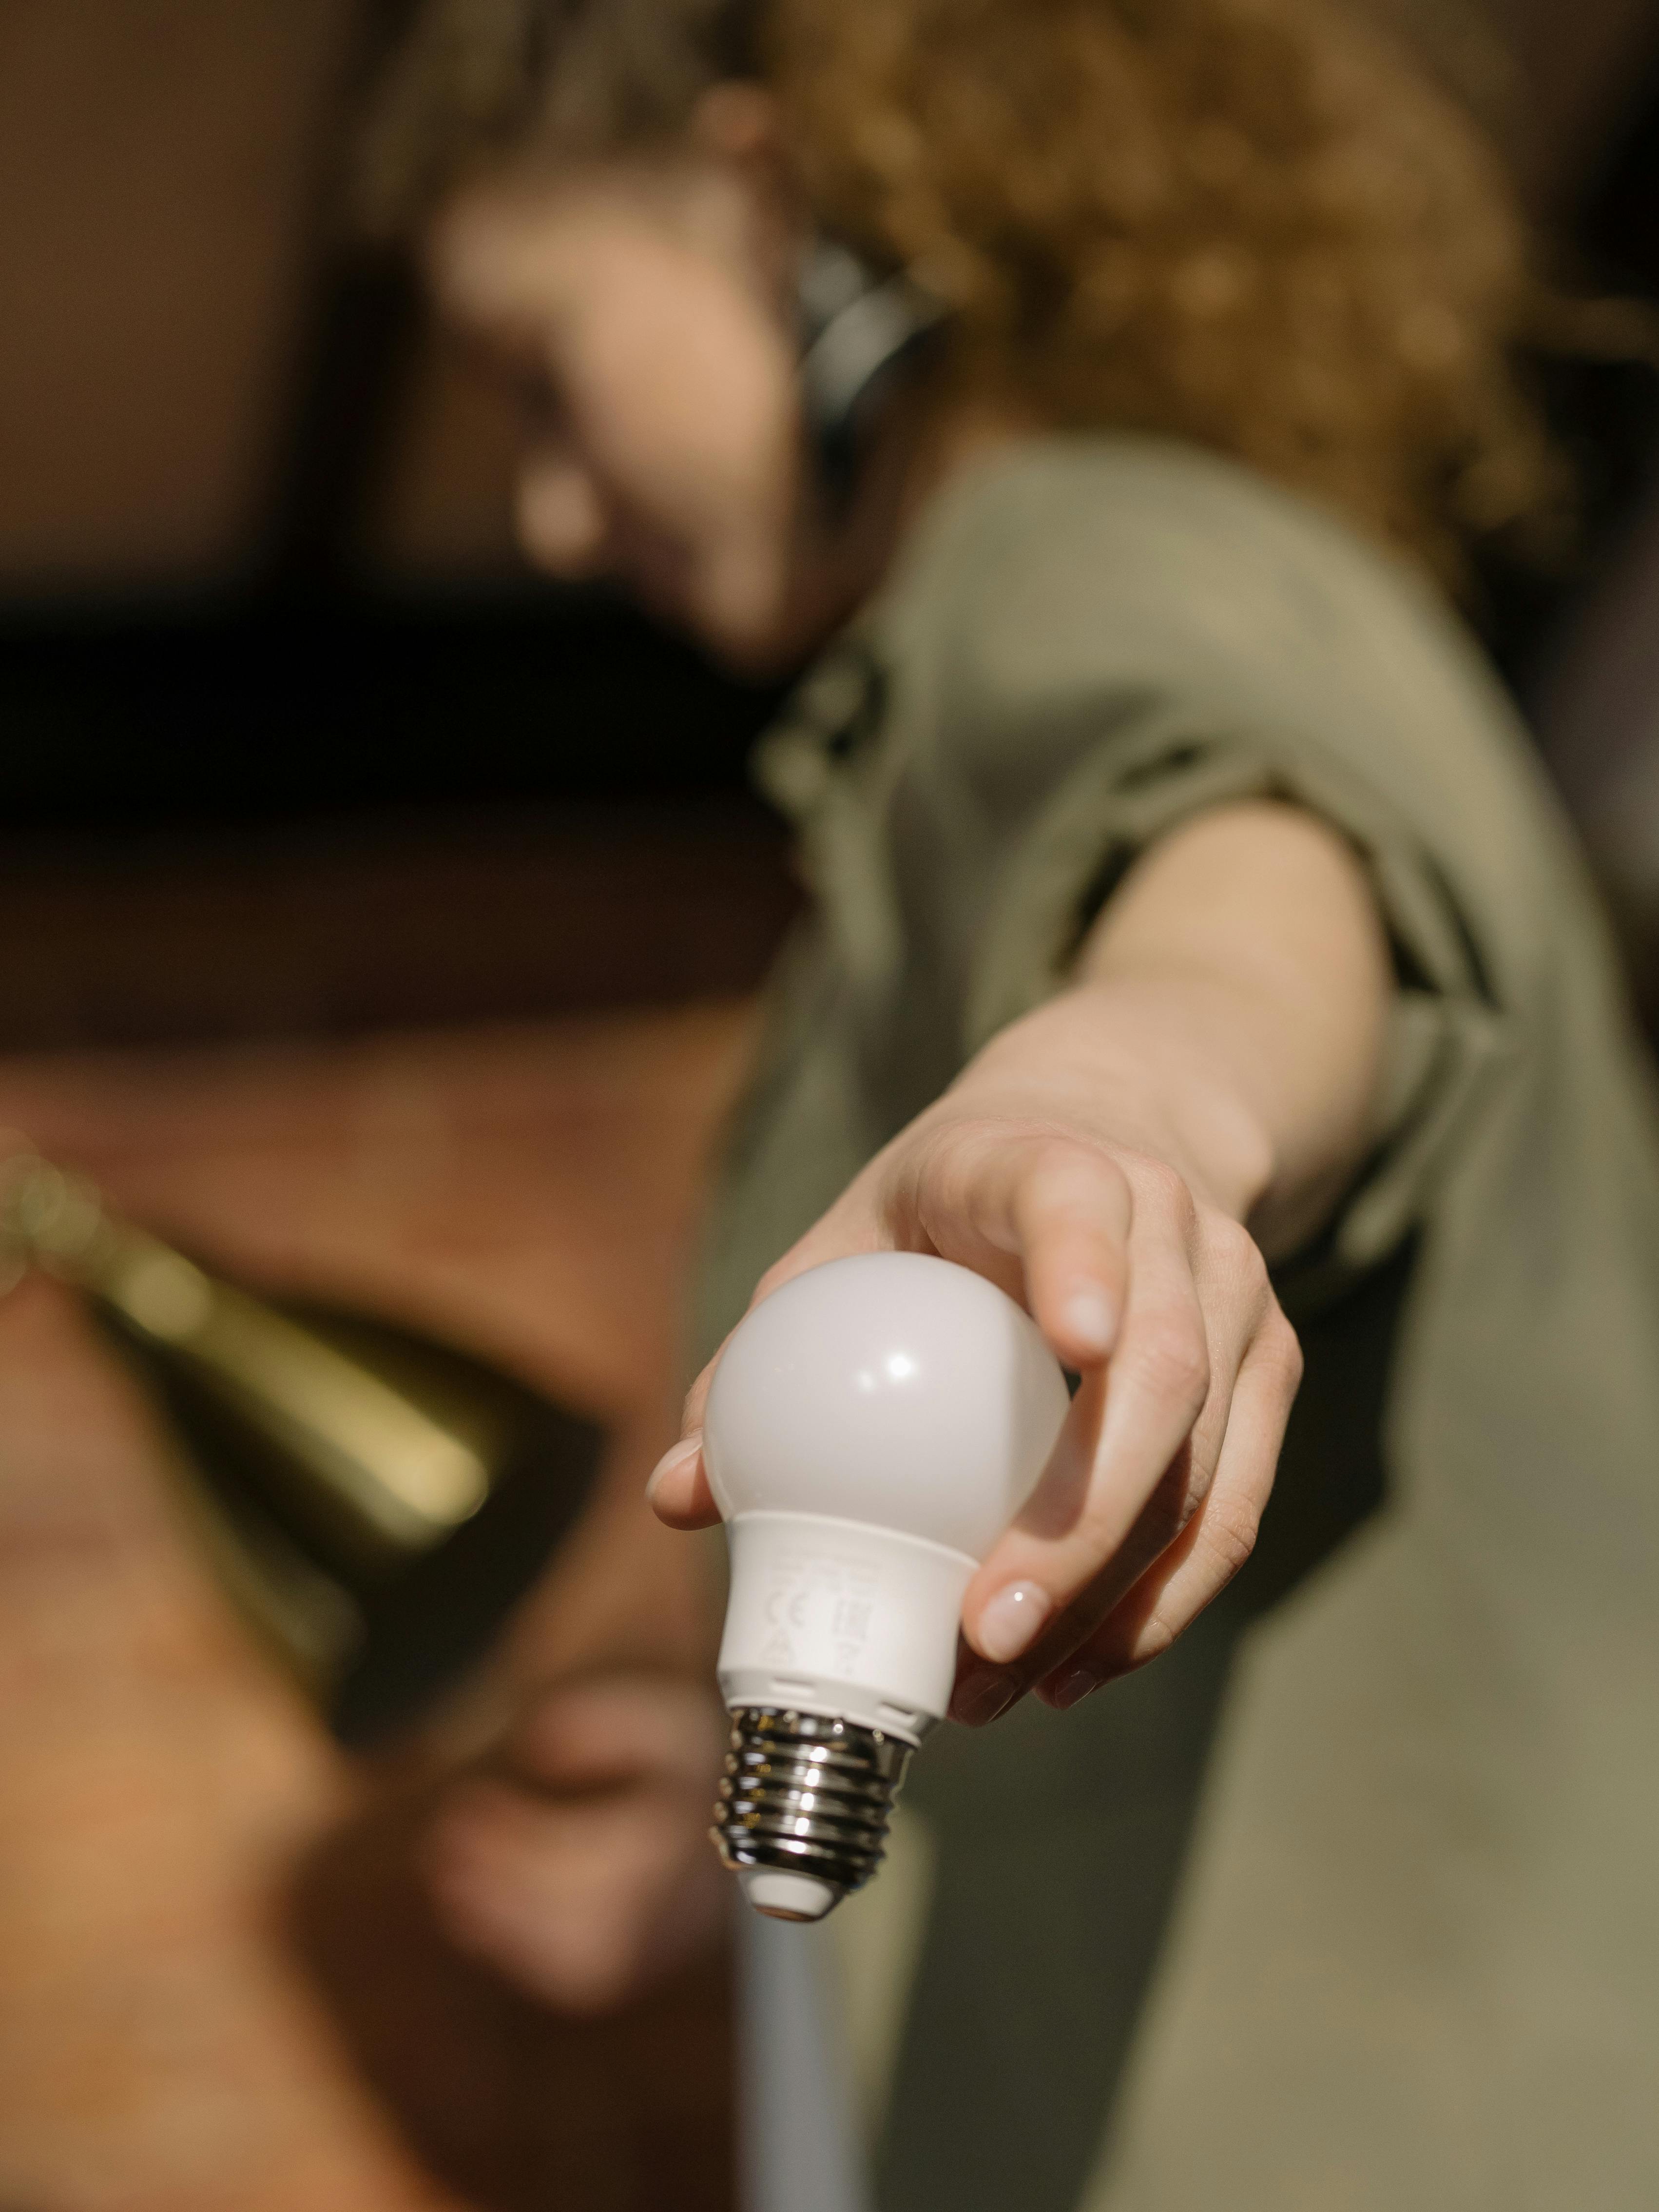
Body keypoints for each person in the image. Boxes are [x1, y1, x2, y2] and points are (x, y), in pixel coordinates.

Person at [361, 3, 1659, 2206]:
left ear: (766, 195)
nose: (555, 517)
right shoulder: (934, 743)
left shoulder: (1085, 553)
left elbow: (1259, 860)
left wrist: (1124, 1100)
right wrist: (747, 1794)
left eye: (545, 374)